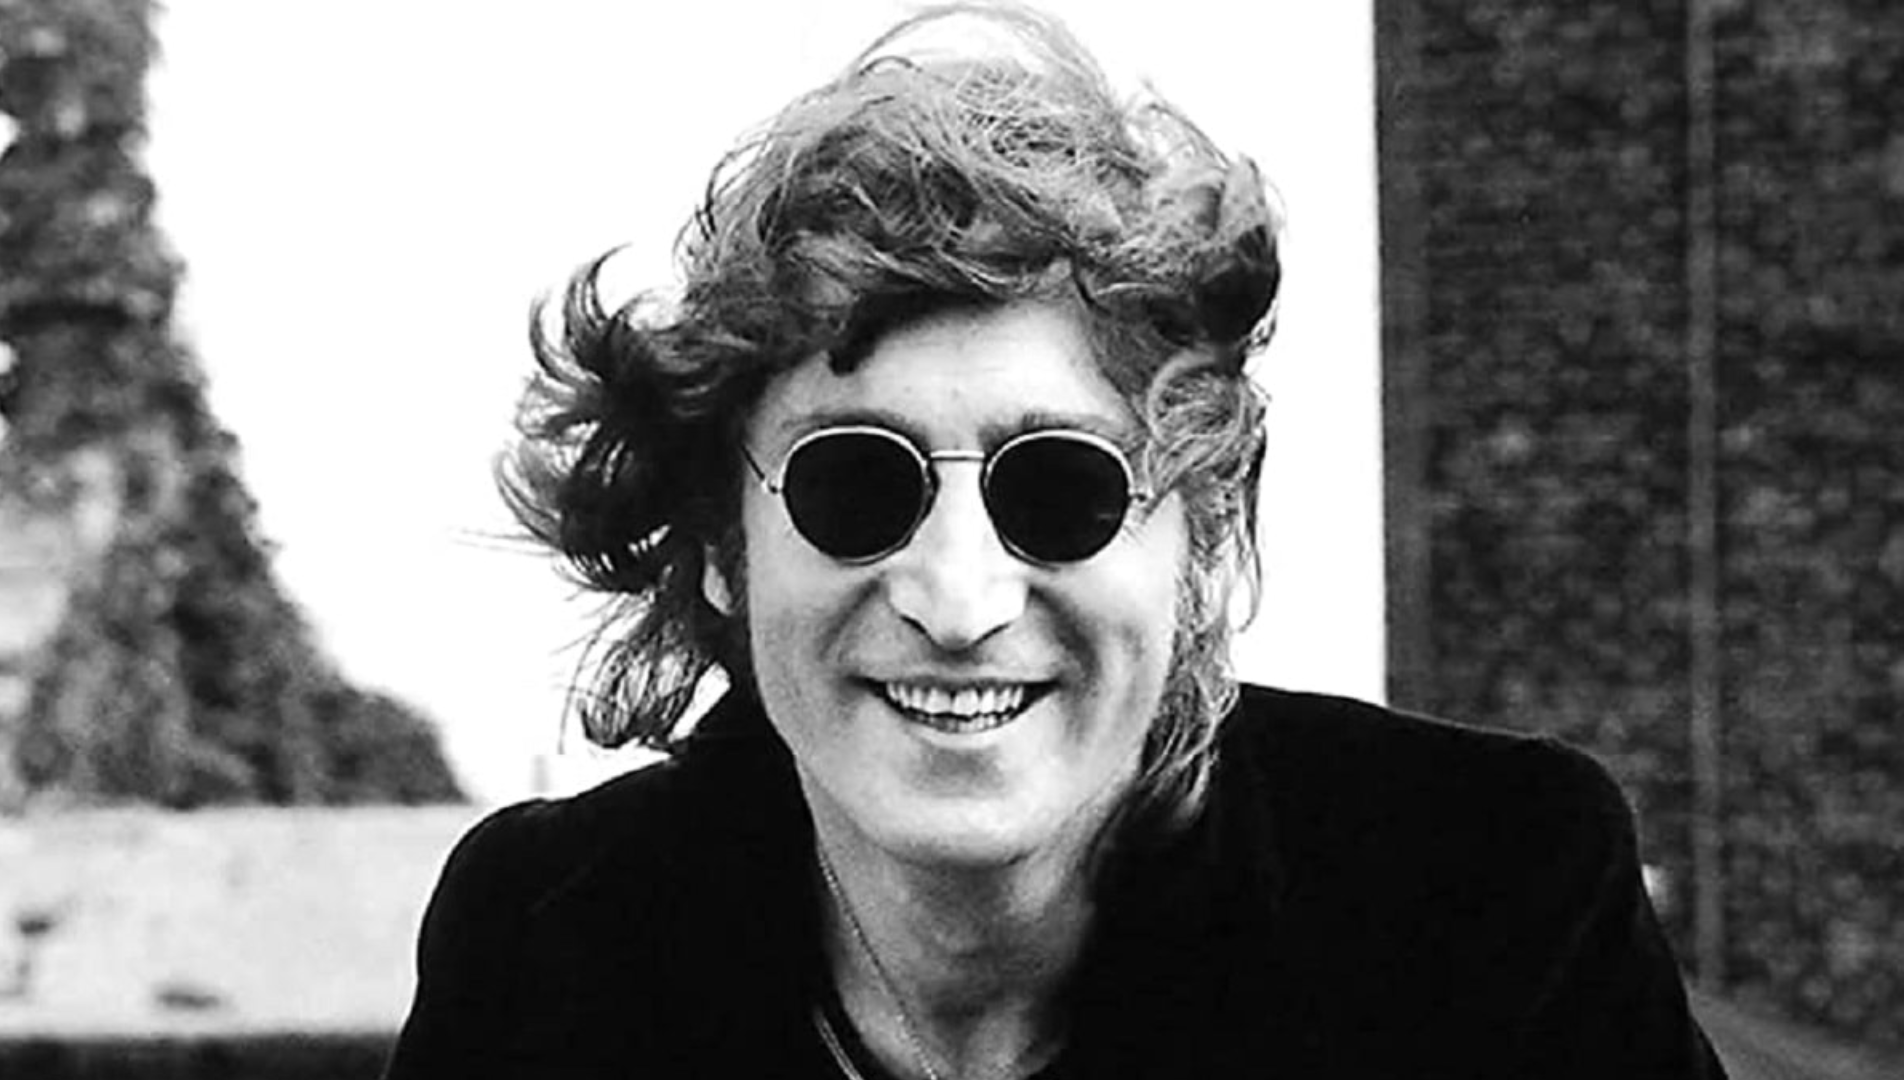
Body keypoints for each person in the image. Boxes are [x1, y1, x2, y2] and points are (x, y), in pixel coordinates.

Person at [384, 5, 1726, 1077]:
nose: (958, 596)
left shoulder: (1484, 906)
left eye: (1062, 491)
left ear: (1206, 541)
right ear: (722, 549)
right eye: (854, 487)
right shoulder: (549, 951)